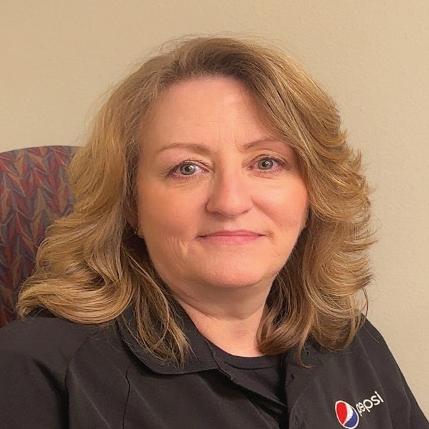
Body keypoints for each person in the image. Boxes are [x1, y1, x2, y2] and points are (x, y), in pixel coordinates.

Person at [0, 36, 427, 429]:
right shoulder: (36, 370)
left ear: (313, 193)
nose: (230, 201)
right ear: (131, 205)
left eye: (266, 162)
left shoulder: (346, 335)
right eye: (187, 168)